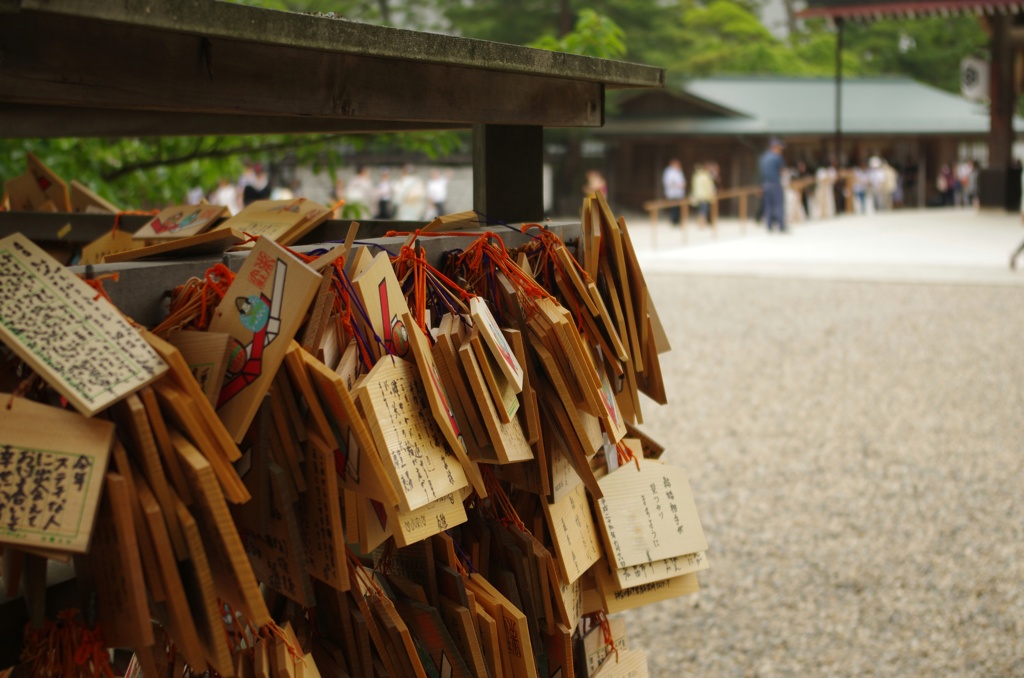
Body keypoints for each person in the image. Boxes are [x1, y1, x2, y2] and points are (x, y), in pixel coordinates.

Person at [759, 138, 786, 233]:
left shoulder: (764, 157)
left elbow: (761, 173)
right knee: (778, 204)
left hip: (765, 184)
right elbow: (782, 171)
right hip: (775, 183)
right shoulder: (777, 157)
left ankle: (769, 225)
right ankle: (781, 225)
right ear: (776, 147)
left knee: (768, 205)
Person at [689, 163, 715, 227]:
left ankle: (699, 223)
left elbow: (693, 186)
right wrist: (712, 195)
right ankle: (702, 223)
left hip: (697, 195)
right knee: (704, 210)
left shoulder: (696, 176)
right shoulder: (706, 176)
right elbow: (709, 187)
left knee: (700, 210)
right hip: (705, 196)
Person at [662, 159, 686, 226]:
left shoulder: (679, 171)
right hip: (672, 193)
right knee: (673, 207)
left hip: (679, 193)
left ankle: (678, 220)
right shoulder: (669, 172)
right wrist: (677, 185)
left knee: (678, 207)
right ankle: (674, 221)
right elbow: (668, 182)